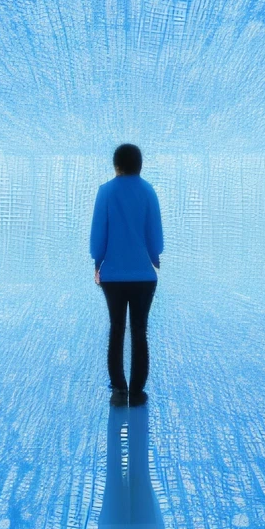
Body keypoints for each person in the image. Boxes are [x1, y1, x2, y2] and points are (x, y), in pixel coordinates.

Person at [90, 143, 163, 407]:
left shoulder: (105, 192)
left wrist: (98, 261)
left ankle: (119, 387)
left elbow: (99, 234)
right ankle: (138, 389)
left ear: (116, 165)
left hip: (113, 276)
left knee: (117, 328)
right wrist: (154, 256)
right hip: (144, 276)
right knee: (140, 330)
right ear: (139, 165)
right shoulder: (148, 191)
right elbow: (155, 236)